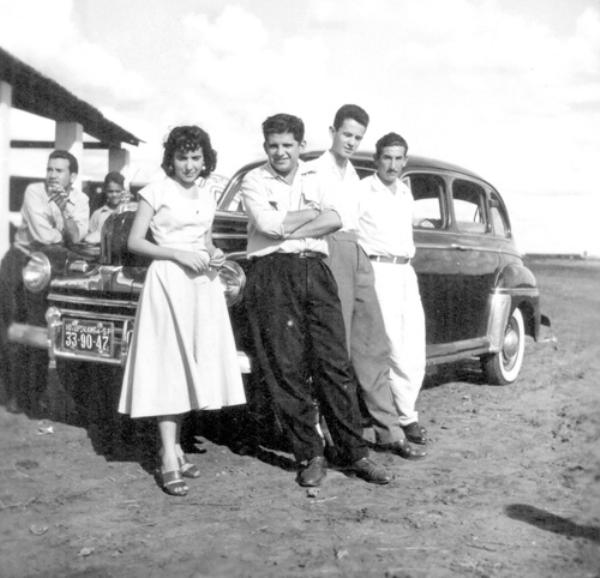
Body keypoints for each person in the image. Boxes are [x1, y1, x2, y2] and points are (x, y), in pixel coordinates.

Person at [241, 113, 393, 487]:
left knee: (335, 364)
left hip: (317, 270)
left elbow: (337, 218)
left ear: (301, 145)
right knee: (287, 368)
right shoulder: (253, 180)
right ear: (265, 147)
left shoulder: (317, 174)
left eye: (288, 145)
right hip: (274, 274)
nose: (281, 152)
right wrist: (310, 215)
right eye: (274, 145)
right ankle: (310, 454)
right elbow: (267, 225)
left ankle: (354, 452)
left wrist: (292, 223)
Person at [118, 125, 246, 496]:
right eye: (182, 157)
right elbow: (135, 241)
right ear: (170, 160)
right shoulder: (155, 192)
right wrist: (176, 253)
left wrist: (214, 253)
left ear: (205, 160)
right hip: (168, 282)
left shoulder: (207, 196)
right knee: (169, 367)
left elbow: (205, 240)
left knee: (193, 364)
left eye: (195, 157)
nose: (189, 165)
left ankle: (172, 446)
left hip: (201, 285)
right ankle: (169, 459)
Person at [306, 105, 425, 459]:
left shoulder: (354, 177)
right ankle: (331, 435)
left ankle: (389, 431)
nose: (351, 142)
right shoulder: (316, 171)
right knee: (335, 349)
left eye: (357, 137)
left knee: (373, 349)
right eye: (347, 135)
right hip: (333, 250)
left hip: (358, 255)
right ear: (333, 132)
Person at [357, 132, 427, 445]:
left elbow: (411, 228)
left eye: (399, 159)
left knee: (413, 346)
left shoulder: (404, 193)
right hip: (377, 269)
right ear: (376, 159)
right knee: (387, 348)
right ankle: (386, 421)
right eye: (387, 157)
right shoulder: (362, 190)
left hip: (405, 272)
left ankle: (408, 415)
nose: (393, 165)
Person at [14, 150, 89, 247]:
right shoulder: (34, 191)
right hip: (27, 255)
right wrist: (67, 237)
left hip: (59, 253)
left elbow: (76, 238)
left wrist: (65, 210)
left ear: (72, 177)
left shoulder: (81, 199)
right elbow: (45, 237)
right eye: (49, 170)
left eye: (59, 171)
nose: (52, 175)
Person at [83, 171, 126, 244]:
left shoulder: (128, 212)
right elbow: (90, 237)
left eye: (117, 191)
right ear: (105, 191)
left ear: (123, 190)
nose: (114, 195)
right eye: (110, 191)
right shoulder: (98, 214)